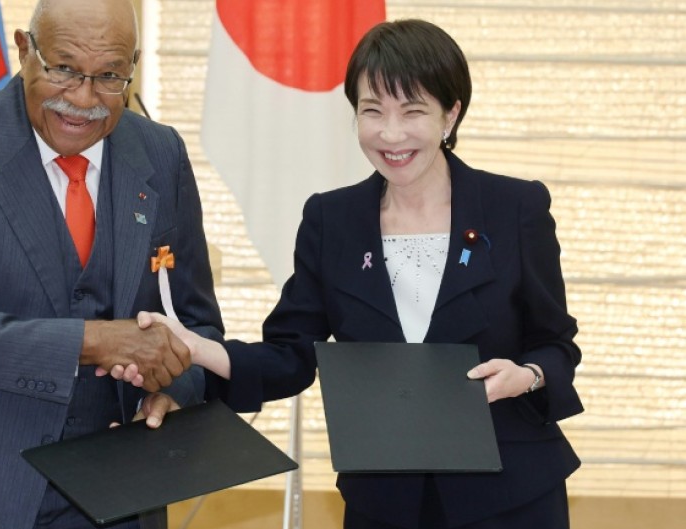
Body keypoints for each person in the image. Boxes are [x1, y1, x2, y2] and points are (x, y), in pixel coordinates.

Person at [134, 18, 584, 529]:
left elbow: (556, 344)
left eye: (413, 111)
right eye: (373, 111)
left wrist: (527, 376)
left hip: (512, 495)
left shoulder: (515, 207)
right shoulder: (333, 220)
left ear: (450, 114)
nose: (390, 134)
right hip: (384, 501)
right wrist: (195, 347)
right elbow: (291, 354)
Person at [0, 0, 223, 527]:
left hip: (121, 495)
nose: (83, 99)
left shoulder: (160, 154)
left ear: (132, 66)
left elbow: (197, 324)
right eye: (63, 69)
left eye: (109, 76)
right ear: (25, 50)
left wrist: (173, 393)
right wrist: (98, 340)